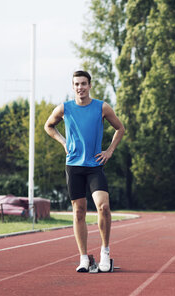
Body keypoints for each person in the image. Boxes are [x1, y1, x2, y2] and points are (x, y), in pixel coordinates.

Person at [44, 70, 125, 272]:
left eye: (83, 83)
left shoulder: (102, 107)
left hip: (95, 166)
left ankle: (105, 252)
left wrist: (109, 151)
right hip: (74, 166)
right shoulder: (65, 108)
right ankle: (83, 258)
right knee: (78, 211)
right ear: (73, 87)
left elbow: (120, 129)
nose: (80, 87)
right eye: (76, 84)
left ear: (90, 85)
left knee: (103, 207)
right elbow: (49, 126)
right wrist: (63, 142)